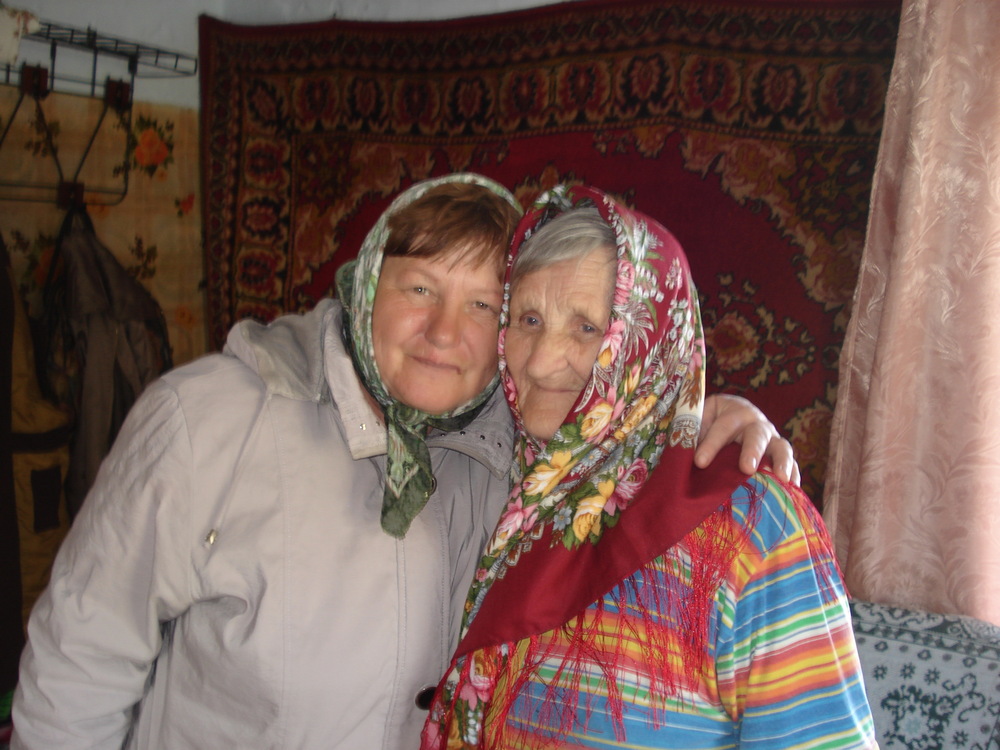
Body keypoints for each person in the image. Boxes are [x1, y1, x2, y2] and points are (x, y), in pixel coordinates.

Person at [11, 174, 796, 750]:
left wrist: (701, 419)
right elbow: (78, 666)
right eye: (419, 287)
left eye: (484, 305)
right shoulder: (209, 420)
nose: (445, 331)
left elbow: (618, 419)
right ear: (364, 284)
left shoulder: (524, 460)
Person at [422, 186, 877, 749]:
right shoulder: (490, 482)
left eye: (587, 328)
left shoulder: (754, 529)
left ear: (651, 340)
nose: (539, 362)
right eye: (529, 319)